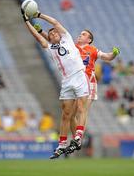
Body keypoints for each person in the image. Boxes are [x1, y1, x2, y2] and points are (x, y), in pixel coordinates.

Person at [33, 21, 120, 155]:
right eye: (80, 33)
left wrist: (114, 54)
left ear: (89, 40)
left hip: (88, 80)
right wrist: (40, 32)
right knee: (70, 115)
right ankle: (76, 140)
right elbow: (52, 42)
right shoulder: (71, 46)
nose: (80, 35)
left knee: (81, 109)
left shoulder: (93, 50)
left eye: (83, 34)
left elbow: (107, 57)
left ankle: (78, 139)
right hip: (75, 80)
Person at [21, 10, 90, 159]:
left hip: (79, 76)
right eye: (50, 34)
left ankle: (78, 136)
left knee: (81, 108)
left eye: (54, 33)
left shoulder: (67, 38)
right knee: (66, 114)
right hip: (66, 81)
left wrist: (38, 15)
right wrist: (27, 21)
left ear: (59, 34)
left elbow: (55, 23)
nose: (53, 34)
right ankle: (62, 145)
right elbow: (37, 36)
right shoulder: (50, 48)